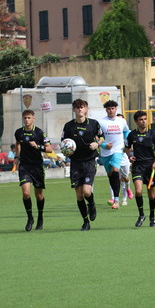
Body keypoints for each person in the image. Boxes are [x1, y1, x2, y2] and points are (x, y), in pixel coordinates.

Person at [61, 99, 104, 231]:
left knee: (86, 191)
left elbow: (102, 137)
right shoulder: (68, 126)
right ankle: (85, 222)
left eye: (82, 107)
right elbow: (64, 142)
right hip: (75, 163)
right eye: (77, 107)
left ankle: (91, 204)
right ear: (74, 110)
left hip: (89, 161)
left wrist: (97, 144)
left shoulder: (93, 124)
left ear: (86, 109)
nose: (80, 109)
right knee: (79, 195)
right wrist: (66, 150)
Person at [125, 110, 155, 227]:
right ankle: (141, 214)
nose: (143, 122)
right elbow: (127, 148)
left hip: (150, 167)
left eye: (145, 119)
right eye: (141, 120)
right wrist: (130, 156)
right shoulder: (132, 135)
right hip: (138, 166)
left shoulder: (153, 134)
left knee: (151, 195)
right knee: (138, 191)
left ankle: (152, 217)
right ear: (136, 121)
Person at [14, 109, 52, 231]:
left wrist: (38, 146)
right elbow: (18, 143)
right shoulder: (19, 132)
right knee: (26, 193)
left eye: (29, 118)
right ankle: (30, 218)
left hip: (37, 167)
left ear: (33, 119)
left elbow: (49, 149)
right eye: (25, 118)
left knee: (39, 195)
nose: (27, 120)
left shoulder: (40, 133)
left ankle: (40, 217)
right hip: (24, 166)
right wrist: (17, 156)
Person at [99, 100, 130, 209]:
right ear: (106, 110)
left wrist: (127, 142)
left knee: (115, 171)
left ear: (116, 109)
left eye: (113, 108)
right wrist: (103, 145)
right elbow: (96, 137)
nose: (111, 110)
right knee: (111, 176)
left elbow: (127, 132)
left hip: (118, 150)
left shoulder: (121, 121)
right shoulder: (101, 122)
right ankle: (115, 197)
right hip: (106, 152)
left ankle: (116, 201)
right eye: (109, 109)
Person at [116, 114, 133, 206]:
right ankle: (119, 199)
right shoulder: (113, 132)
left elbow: (131, 145)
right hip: (115, 156)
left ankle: (128, 189)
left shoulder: (128, 132)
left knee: (125, 177)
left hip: (124, 156)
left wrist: (128, 150)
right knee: (116, 178)